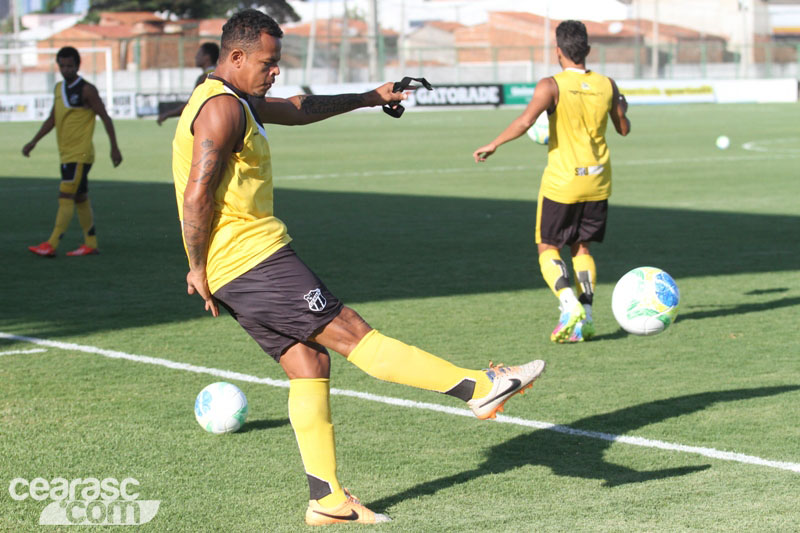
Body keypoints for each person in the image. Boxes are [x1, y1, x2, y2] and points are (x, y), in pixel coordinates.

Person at [172, 9, 545, 526]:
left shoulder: (234, 99)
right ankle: (478, 388)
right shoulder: (221, 110)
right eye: (268, 62)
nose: (275, 71)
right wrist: (195, 267)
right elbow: (196, 195)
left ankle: (326, 501)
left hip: (238, 267)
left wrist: (372, 96)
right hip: (250, 260)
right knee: (351, 332)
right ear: (235, 57)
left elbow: (298, 108)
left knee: (309, 364)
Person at [473, 20, 631, 343]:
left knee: (548, 246)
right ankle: (587, 314)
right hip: (599, 179)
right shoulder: (608, 85)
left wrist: (494, 143)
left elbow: (525, 121)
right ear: (588, 50)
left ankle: (569, 303)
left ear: (558, 51)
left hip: (563, 182)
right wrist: (623, 107)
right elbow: (623, 128)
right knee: (581, 246)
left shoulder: (551, 85)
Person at [22, 46, 123, 257]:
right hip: (66, 153)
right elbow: (52, 118)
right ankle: (91, 243)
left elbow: (105, 117)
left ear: (78, 66)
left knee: (65, 195)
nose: (66, 70)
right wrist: (34, 142)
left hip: (80, 154)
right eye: (62, 66)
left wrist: (114, 147)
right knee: (80, 197)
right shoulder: (59, 88)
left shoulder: (87, 90)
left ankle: (51, 244)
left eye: (70, 66)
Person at [157, 42, 220, 125]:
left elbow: (190, 105)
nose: (195, 57)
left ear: (207, 57)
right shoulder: (220, 74)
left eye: (199, 54)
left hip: (209, 124)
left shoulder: (204, 78)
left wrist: (167, 114)